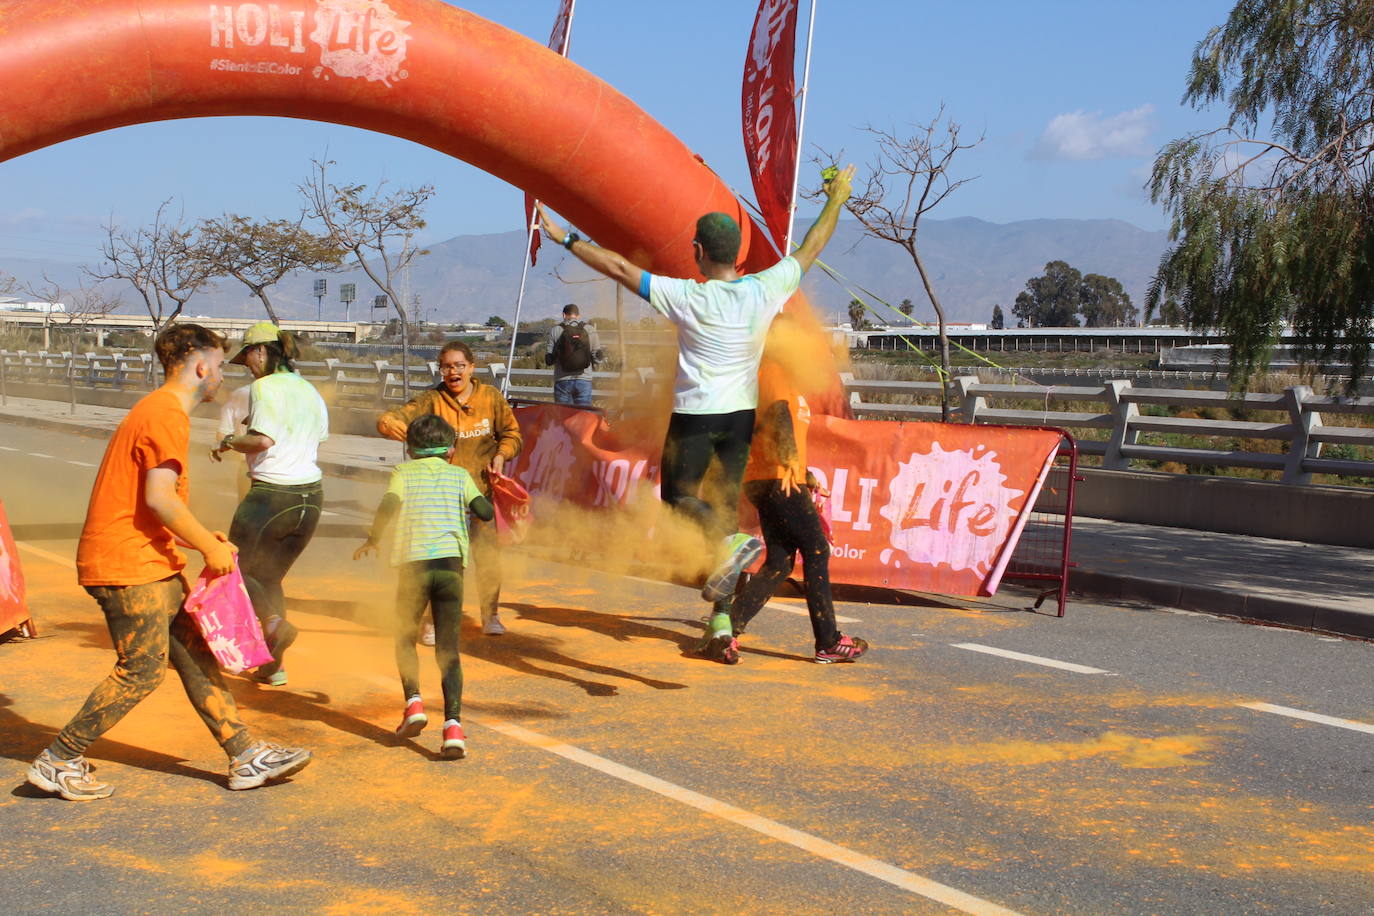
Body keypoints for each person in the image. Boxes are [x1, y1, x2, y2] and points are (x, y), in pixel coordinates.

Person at [535, 165, 854, 649]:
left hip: (696, 417)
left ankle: (729, 552)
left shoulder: (684, 294)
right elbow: (811, 247)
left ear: (699, 254)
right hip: (740, 420)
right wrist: (836, 199)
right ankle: (723, 616)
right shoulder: (765, 289)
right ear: (739, 255)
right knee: (721, 509)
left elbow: (619, 268)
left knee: (677, 499)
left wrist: (565, 239)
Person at [27, 323, 311, 801]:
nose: (221, 376)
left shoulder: (161, 412)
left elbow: (159, 503)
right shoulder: (165, 415)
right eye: (220, 366)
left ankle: (244, 755)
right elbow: (160, 499)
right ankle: (58, 759)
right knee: (141, 669)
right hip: (125, 563)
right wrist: (210, 546)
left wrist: (201, 537)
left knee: (196, 652)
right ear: (201, 366)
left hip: (151, 559)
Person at [708, 319, 868, 665]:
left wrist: (804, 471)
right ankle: (828, 641)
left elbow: (770, 426)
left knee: (779, 562)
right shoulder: (772, 368)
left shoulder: (778, 376)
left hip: (772, 475)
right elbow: (777, 415)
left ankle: (726, 632)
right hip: (777, 477)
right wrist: (791, 461)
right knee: (816, 549)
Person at [354, 415, 494, 759]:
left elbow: (389, 503)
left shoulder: (403, 473)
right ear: (451, 450)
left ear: (410, 449)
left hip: (413, 566)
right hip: (450, 567)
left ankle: (414, 703)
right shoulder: (460, 475)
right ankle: (453, 727)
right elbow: (485, 512)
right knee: (448, 649)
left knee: (404, 636)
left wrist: (374, 537)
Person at [211, 321, 329, 687]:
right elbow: (317, 438)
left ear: (261, 351)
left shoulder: (263, 387)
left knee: (234, 566)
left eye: (247, 357)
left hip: (272, 495)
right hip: (310, 498)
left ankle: (274, 628)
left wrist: (230, 441)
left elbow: (262, 441)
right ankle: (273, 665)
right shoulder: (309, 389)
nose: (247, 365)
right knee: (269, 579)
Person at [377, 341, 522, 636]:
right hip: (442, 500)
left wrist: (501, 454)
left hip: (480, 493)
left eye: (459, 366)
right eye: (446, 366)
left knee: (488, 558)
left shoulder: (491, 397)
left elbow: (512, 433)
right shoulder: (432, 400)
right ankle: (430, 620)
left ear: (471, 367)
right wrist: (387, 422)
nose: (453, 372)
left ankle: (490, 614)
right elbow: (395, 417)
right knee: (441, 563)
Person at [544, 303, 603, 407]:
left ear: (563, 315)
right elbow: (598, 358)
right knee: (583, 417)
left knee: (563, 417)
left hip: (562, 380)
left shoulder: (556, 330)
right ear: (578, 316)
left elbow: (549, 360)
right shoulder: (590, 330)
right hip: (584, 380)